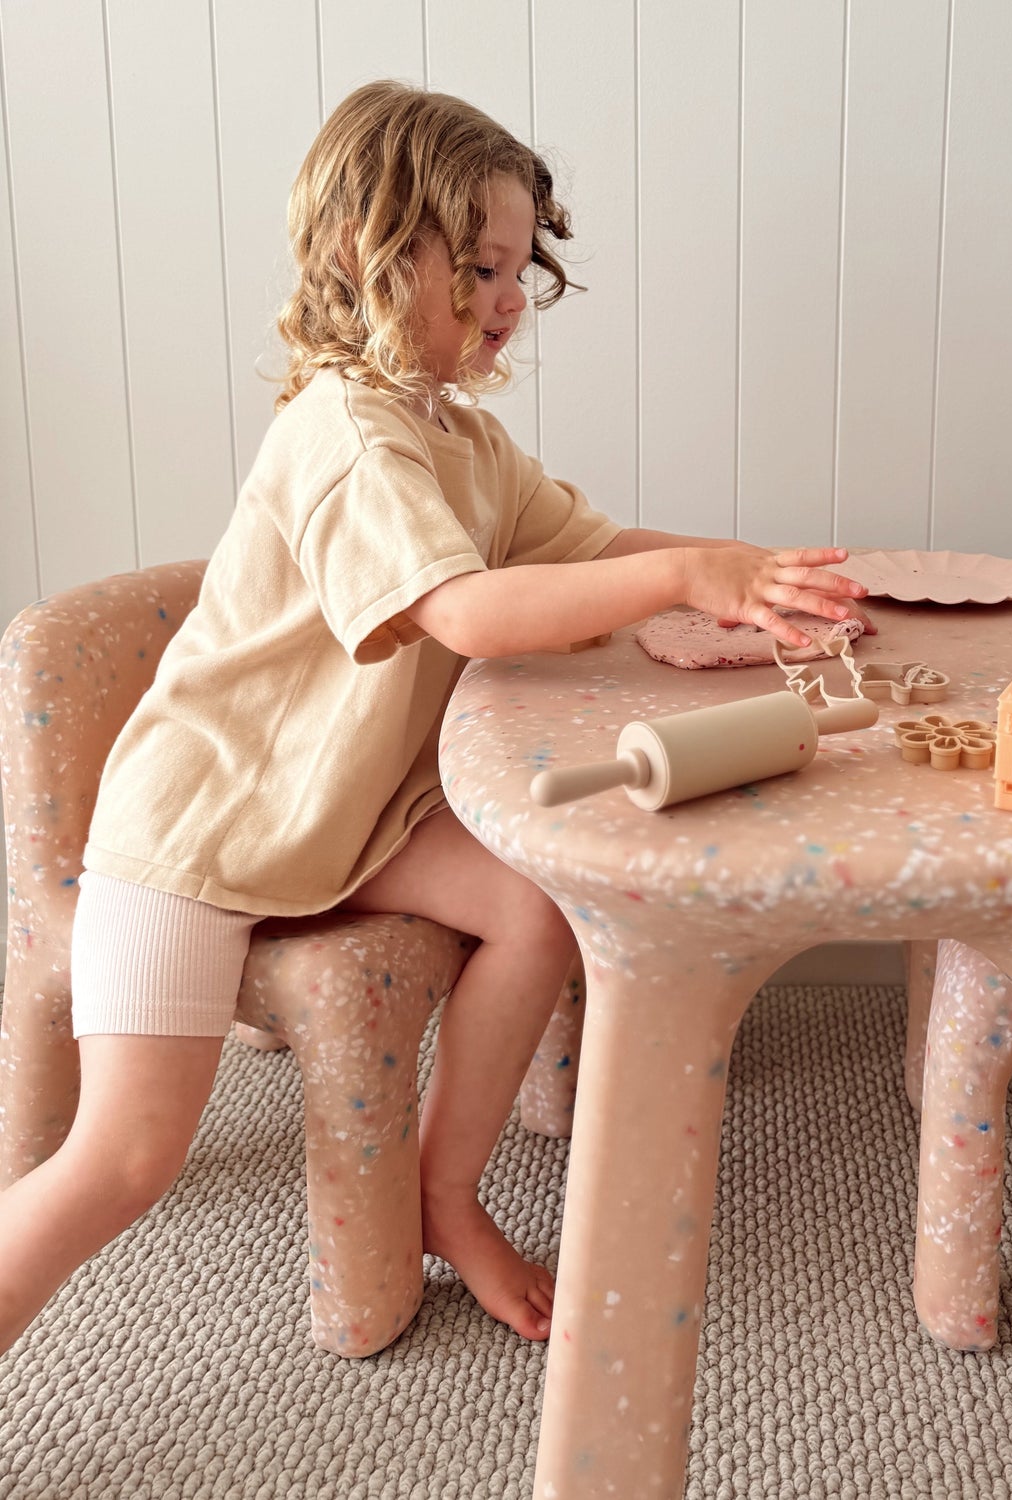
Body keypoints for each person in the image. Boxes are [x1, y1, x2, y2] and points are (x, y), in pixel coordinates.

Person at [0, 79, 867, 1355]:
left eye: (522, 267)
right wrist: (692, 580)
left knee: (532, 905)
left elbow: (587, 549)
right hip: (202, 830)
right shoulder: (345, 434)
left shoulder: (455, 434)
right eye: (481, 265)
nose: (513, 296)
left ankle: (440, 1194)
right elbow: (465, 613)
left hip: (337, 813)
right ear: (373, 251)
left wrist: (757, 571)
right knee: (125, 1160)